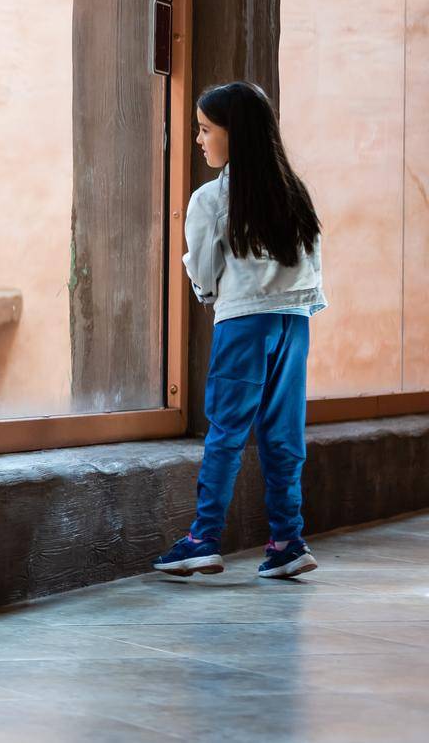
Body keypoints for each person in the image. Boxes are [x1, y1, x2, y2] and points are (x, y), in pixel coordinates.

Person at [152, 81, 327, 580]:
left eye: (206, 130)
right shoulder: (296, 194)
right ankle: (288, 540)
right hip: (294, 323)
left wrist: (211, 296)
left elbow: (204, 272)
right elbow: (312, 264)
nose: (200, 140)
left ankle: (203, 538)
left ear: (236, 135)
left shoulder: (210, 199)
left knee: (226, 431)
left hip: (243, 322)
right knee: (284, 432)